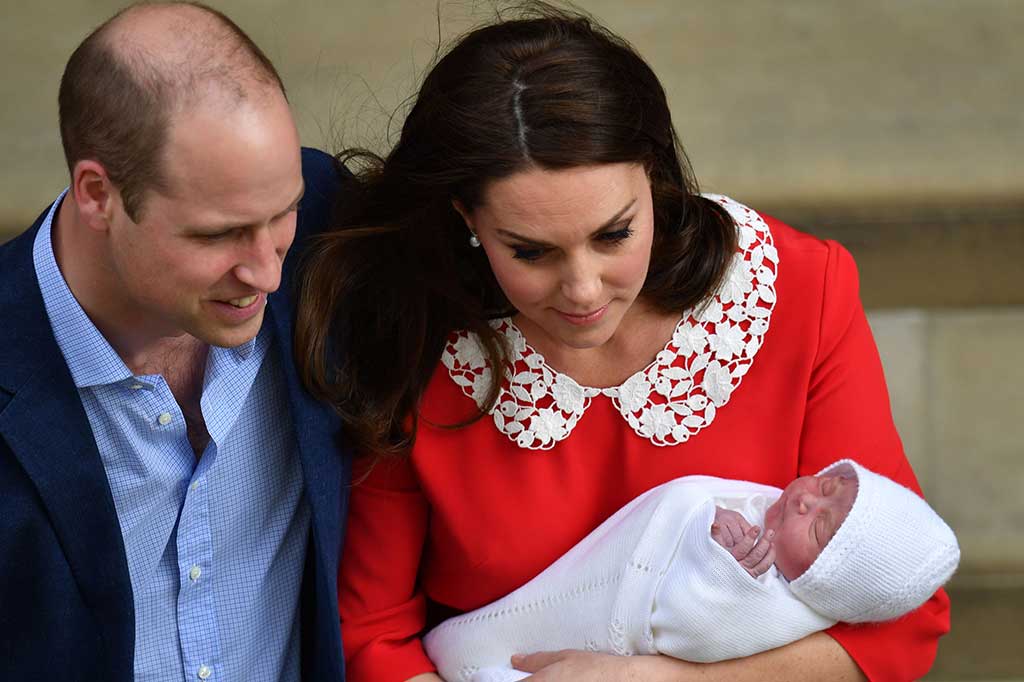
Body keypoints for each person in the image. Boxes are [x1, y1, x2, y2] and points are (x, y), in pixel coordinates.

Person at [296, 6, 951, 681]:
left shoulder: (799, 291)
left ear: (653, 177)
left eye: (614, 234)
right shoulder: (418, 328)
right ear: (467, 217)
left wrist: (672, 681)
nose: (582, 289)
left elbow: (903, 620)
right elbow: (372, 633)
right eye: (530, 251)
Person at [0, 3, 350, 680]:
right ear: (98, 194)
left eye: (282, 212)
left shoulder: (330, 237)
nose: (268, 272)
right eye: (218, 234)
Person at [422, 459, 960, 682]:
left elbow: (694, 629)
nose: (805, 504)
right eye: (825, 487)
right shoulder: (768, 509)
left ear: (824, 585)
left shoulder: (779, 607)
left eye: (820, 530)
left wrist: (721, 569)